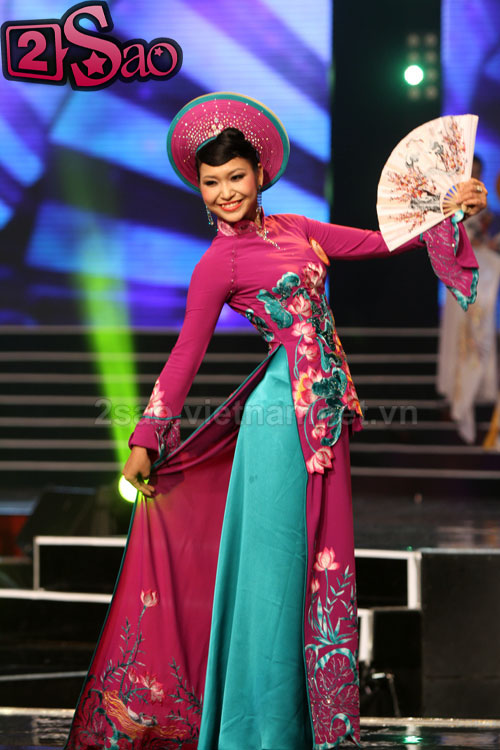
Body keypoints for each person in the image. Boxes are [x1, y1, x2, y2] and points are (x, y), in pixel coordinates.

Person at [64, 93, 487, 750]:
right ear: (200, 189)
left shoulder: (298, 228)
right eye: (212, 182)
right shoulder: (218, 263)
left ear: (260, 173)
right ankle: (256, 734)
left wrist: (447, 207)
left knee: (310, 569)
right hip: (278, 422)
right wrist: (145, 436)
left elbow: (381, 241)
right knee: (274, 577)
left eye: (236, 176)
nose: (226, 192)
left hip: (320, 418)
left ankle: (289, 729)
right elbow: (185, 355)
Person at [437, 154, 500, 443]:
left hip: (482, 284)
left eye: (478, 172)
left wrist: (487, 244)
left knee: (478, 337)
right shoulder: (449, 209)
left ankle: (473, 397)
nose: (474, 176)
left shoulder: (487, 212)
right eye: (470, 171)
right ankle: (458, 401)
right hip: (461, 281)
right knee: (459, 338)